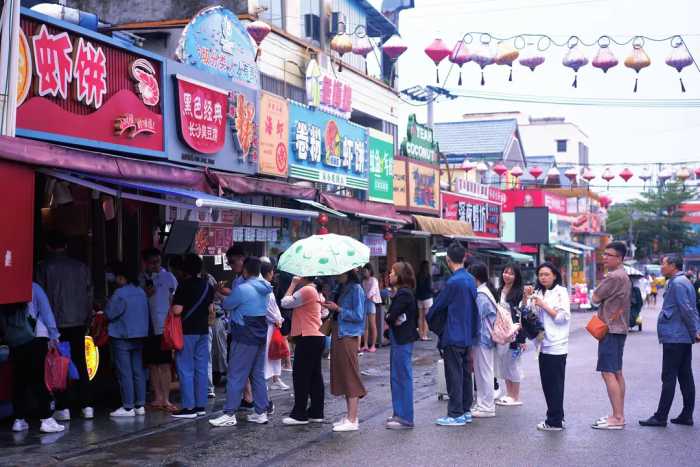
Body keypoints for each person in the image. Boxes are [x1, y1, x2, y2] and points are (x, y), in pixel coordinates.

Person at [35, 231, 94, 421]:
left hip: (54, 323)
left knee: (57, 364)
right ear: (66, 246)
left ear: (48, 247)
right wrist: (87, 318)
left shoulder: (43, 267)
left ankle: (63, 406)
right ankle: (87, 405)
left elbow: (39, 298)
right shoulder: (81, 267)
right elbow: (89, 295)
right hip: (78, 321)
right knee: (80, 362)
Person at [210, 257, 272, 427]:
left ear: (245, 271)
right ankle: (261, 412)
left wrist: (218, 295)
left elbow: (229, 305)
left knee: (236, 374)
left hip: (244, 334)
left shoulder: (243, 289)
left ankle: (229, 413)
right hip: (260, 333)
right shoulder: (265, 288)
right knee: (258, 375)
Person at [640, 255, 700, 427]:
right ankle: (686, 415)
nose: (661, 267)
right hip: (680, 336)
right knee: (684, 375)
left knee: (669, 376)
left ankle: (661, 416)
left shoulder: (678, 283)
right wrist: (694, 331)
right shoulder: (683, 281)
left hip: (675, 336)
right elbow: (691, 308)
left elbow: (687, 309)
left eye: (663, 264)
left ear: (673, 266)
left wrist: (694, 331)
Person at [427, 242, 479, 427]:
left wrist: (434, 323)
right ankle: (465, 410)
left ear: (448, 259)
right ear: (464, 258)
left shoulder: (453, 282)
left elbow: (436, 308)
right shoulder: (470, 280)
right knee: (465, 373)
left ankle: (455, 413)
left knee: (454, 374)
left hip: (453, 333)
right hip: (467, 334)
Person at [2, 283, 63, 433]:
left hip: (15, 339)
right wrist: (54, 335)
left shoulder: (5, 288)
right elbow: (46, 312)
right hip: (36, 336)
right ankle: (46, 419)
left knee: (19, 379)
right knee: (39, 378)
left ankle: (19, 419)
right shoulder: (33, 287)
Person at [590, 242, 631, 430]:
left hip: (610, 328)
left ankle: (617, 417)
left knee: (608, 373)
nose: (604, 257)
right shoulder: (624, 276)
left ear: (620, 258)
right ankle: (618, 415)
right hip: (619, 328)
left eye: (609, 255)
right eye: (604, 254)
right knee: (616, 372)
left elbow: (595, 298)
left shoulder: (614, 276)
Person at [525, 262, 571, 431]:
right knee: (548, 383)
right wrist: (528, 298)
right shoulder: (538, 292)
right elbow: (529, 314)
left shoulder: (561, 292)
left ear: (554, 275)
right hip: (542, 344)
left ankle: (554, 421)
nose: (543, 277)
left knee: (555, 384)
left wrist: (543, 304)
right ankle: (557, 416)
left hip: (557, 344)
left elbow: (562, 317)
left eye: (546, 274)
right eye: (540, 274)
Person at [171, 254, 215, 419]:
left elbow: (177, 310)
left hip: (187, 331)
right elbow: (211, 308)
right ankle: (200, 405)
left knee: (185, 368)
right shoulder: (207, 285)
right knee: (201, 368)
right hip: (203, 331)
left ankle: (189, 407)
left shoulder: (183, 286)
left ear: (184, 269)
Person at [323, 269, 367, 432]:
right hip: (339, 332)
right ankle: (349, 416)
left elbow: (358, 314)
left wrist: (339, 309)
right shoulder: (341, 288)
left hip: (348, 334)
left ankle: (353, 418)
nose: (336, 275)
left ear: (347, 273)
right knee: (343, 374)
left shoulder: (356, 289)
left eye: (339, 273)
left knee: (350, 374)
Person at [105, 262, 150, 417]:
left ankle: (128, 406)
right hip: (140, 335)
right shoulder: (141, 292)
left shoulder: (120, 294)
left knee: (125, 372)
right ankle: (140, 405)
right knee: (138, 371)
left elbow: (110, 314)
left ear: (121, 278)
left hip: (122, 335)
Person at [280, 276, 326, 426]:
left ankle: (299, 414)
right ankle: (316, 412)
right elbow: (324, 312)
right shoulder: (317, 290)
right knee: (314, 376)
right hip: (316, 335)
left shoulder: (306, 290)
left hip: (307, 336)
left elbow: (285, 302)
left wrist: (292, 284)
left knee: (301, 375)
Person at [139, 248, 178, 412]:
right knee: (153, 364)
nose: (154, 265)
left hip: (163, 325)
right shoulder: (142, 278)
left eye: (157, 262)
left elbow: (174, 298)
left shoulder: (168, 277)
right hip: (147, 326)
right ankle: (157, 397)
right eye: (151, 262)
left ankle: (166, 398)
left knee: (164, 364)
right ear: (145, 263)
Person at [385, 262, 419, 429]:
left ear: (399, 275)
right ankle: (399, 413)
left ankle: (405, 416)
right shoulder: (402, 293)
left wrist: (388, 315)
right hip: (399, 338)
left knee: (402, 377)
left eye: (392, 272)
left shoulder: (404, 294)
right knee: (397, 376)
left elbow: (391, 316)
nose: (389, 275)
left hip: (402, 339)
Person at [467, 262, 499, 418]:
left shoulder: (481, 295)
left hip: (483, 338)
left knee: (484, 372)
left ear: (475, 277)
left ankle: (487, 406)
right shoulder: (485, 291)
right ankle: (483, 404)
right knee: (483, 372)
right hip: (485, 338)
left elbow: (477, 318)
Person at [495, 263, 527, 407]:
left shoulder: (519, 293)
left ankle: (515, 396)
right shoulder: (499, 290)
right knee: (504, 364)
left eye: (511, 273)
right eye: (505, 272)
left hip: (515, 334)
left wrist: (522, 338)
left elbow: (523, 316)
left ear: (516, 276)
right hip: (502, 334)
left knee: (514, 364)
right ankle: (508, 394)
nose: (507, 275)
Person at [261, 261, 289, 394]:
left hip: (274, 325)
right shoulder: (265, 289)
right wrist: (277, 319)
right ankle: (265, 380)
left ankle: (275, 378)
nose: (273, 274)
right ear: (267, 273)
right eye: (272, 272)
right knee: (267, 353)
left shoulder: (268, 287)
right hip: (268, 325)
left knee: (274, 353)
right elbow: (268, 309)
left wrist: (278, 319)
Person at [361, 263, 381, 353]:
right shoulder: (363, 281)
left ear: (370, 271)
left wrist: (366, 296)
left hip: (371, 302)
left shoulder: (374, 280)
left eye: (365, 271)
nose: (364, 273)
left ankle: (373, 345)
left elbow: (372, 291)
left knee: (372, 324)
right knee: (365, 325)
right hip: (365, 302)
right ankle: (365, 344)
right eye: (363, 271)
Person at [415, 260, 433, 341]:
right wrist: (434, 291)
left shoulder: (418, 275)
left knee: (420, 317)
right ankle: (425, 336)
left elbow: (417, 287)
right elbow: (429, 288)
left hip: (419, 298)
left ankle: (420, 334)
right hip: (427, 298)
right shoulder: (428, 276)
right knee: (426, 317)